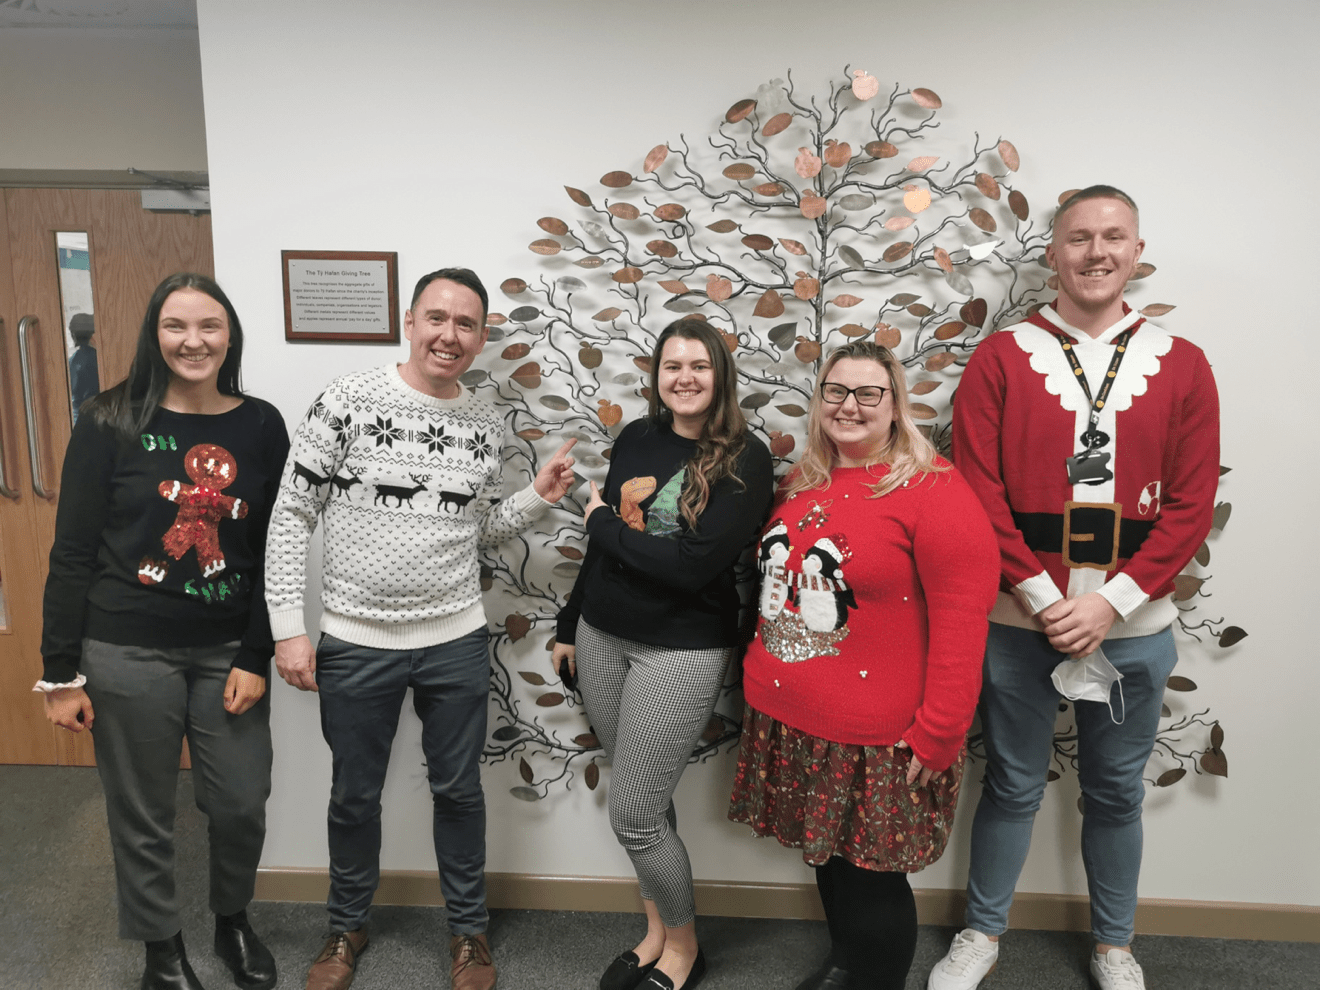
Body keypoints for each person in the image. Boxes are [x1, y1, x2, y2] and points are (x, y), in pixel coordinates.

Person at [927, 186, 1221, 990]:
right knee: (1013, 785)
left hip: (1134, 629)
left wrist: (1109, 603)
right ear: (1052, 253)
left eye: (1113, 237)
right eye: (1080, 237)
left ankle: (1115, 945)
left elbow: (1191, 507)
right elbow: (977, 490)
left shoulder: (1184, 363)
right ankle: (983, 934)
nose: (1096, 252)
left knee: (1117, 793)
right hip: (1021, 625)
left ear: (1136, 250)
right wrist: (1042, 596)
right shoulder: (999, 358)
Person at [265, 267, 577, 990]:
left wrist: (536, 497)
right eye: (436, 318)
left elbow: (479, 530)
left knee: (460, 792)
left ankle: (468, 934)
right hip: (355, 640)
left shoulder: (483, 424)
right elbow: (291, 516)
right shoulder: (345, 401)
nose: (450, 335)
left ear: (481, 336)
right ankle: (345, 926)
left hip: (455, 640)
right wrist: (289, 628)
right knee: (353, 795)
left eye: (466, 324)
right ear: (409, 322)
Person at [37, 272, 289, 990]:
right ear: (154, 335)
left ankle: (233, 922)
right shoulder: (109, 420)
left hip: (225, 654)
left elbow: (276, 548)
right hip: (126, 647)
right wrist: (61, 674)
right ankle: (160, 948)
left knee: (239, 801)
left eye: (208, 326)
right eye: (176, 326)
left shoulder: (261, 424)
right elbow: (74, 550)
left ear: (229, 334)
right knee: (143, 812)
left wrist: (255, 653)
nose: (193, 341)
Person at [728, 341, 999, 990]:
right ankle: (846, 962)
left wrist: (938, 734)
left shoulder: (934, 491)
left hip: (879, 738)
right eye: (835, 391)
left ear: (896, 405)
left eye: (868, 393)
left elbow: (965, 625)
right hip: (793, 718)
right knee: (832, 862)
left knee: (872, 880)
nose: (849, 405)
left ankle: (870, 977)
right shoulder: (803, 479)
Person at [552, 317, 774, 990]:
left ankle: (685, 950)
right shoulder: (638, 438)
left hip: (680, 649)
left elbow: (688, 568)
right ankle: (655, 933)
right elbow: (609, 547)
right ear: (657, 376)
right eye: (672, 365)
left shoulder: (747, 459)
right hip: (601, 634)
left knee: (636, 814)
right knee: (645, 798)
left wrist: (595, 518)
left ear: (720, 376)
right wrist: (569, 622)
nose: (684, 378)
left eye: (699, 366)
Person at [68, 311, 100, 421]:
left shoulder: (72, 361)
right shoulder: (98, 359)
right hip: (95, 415)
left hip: (76, 417)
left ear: (73, 336)